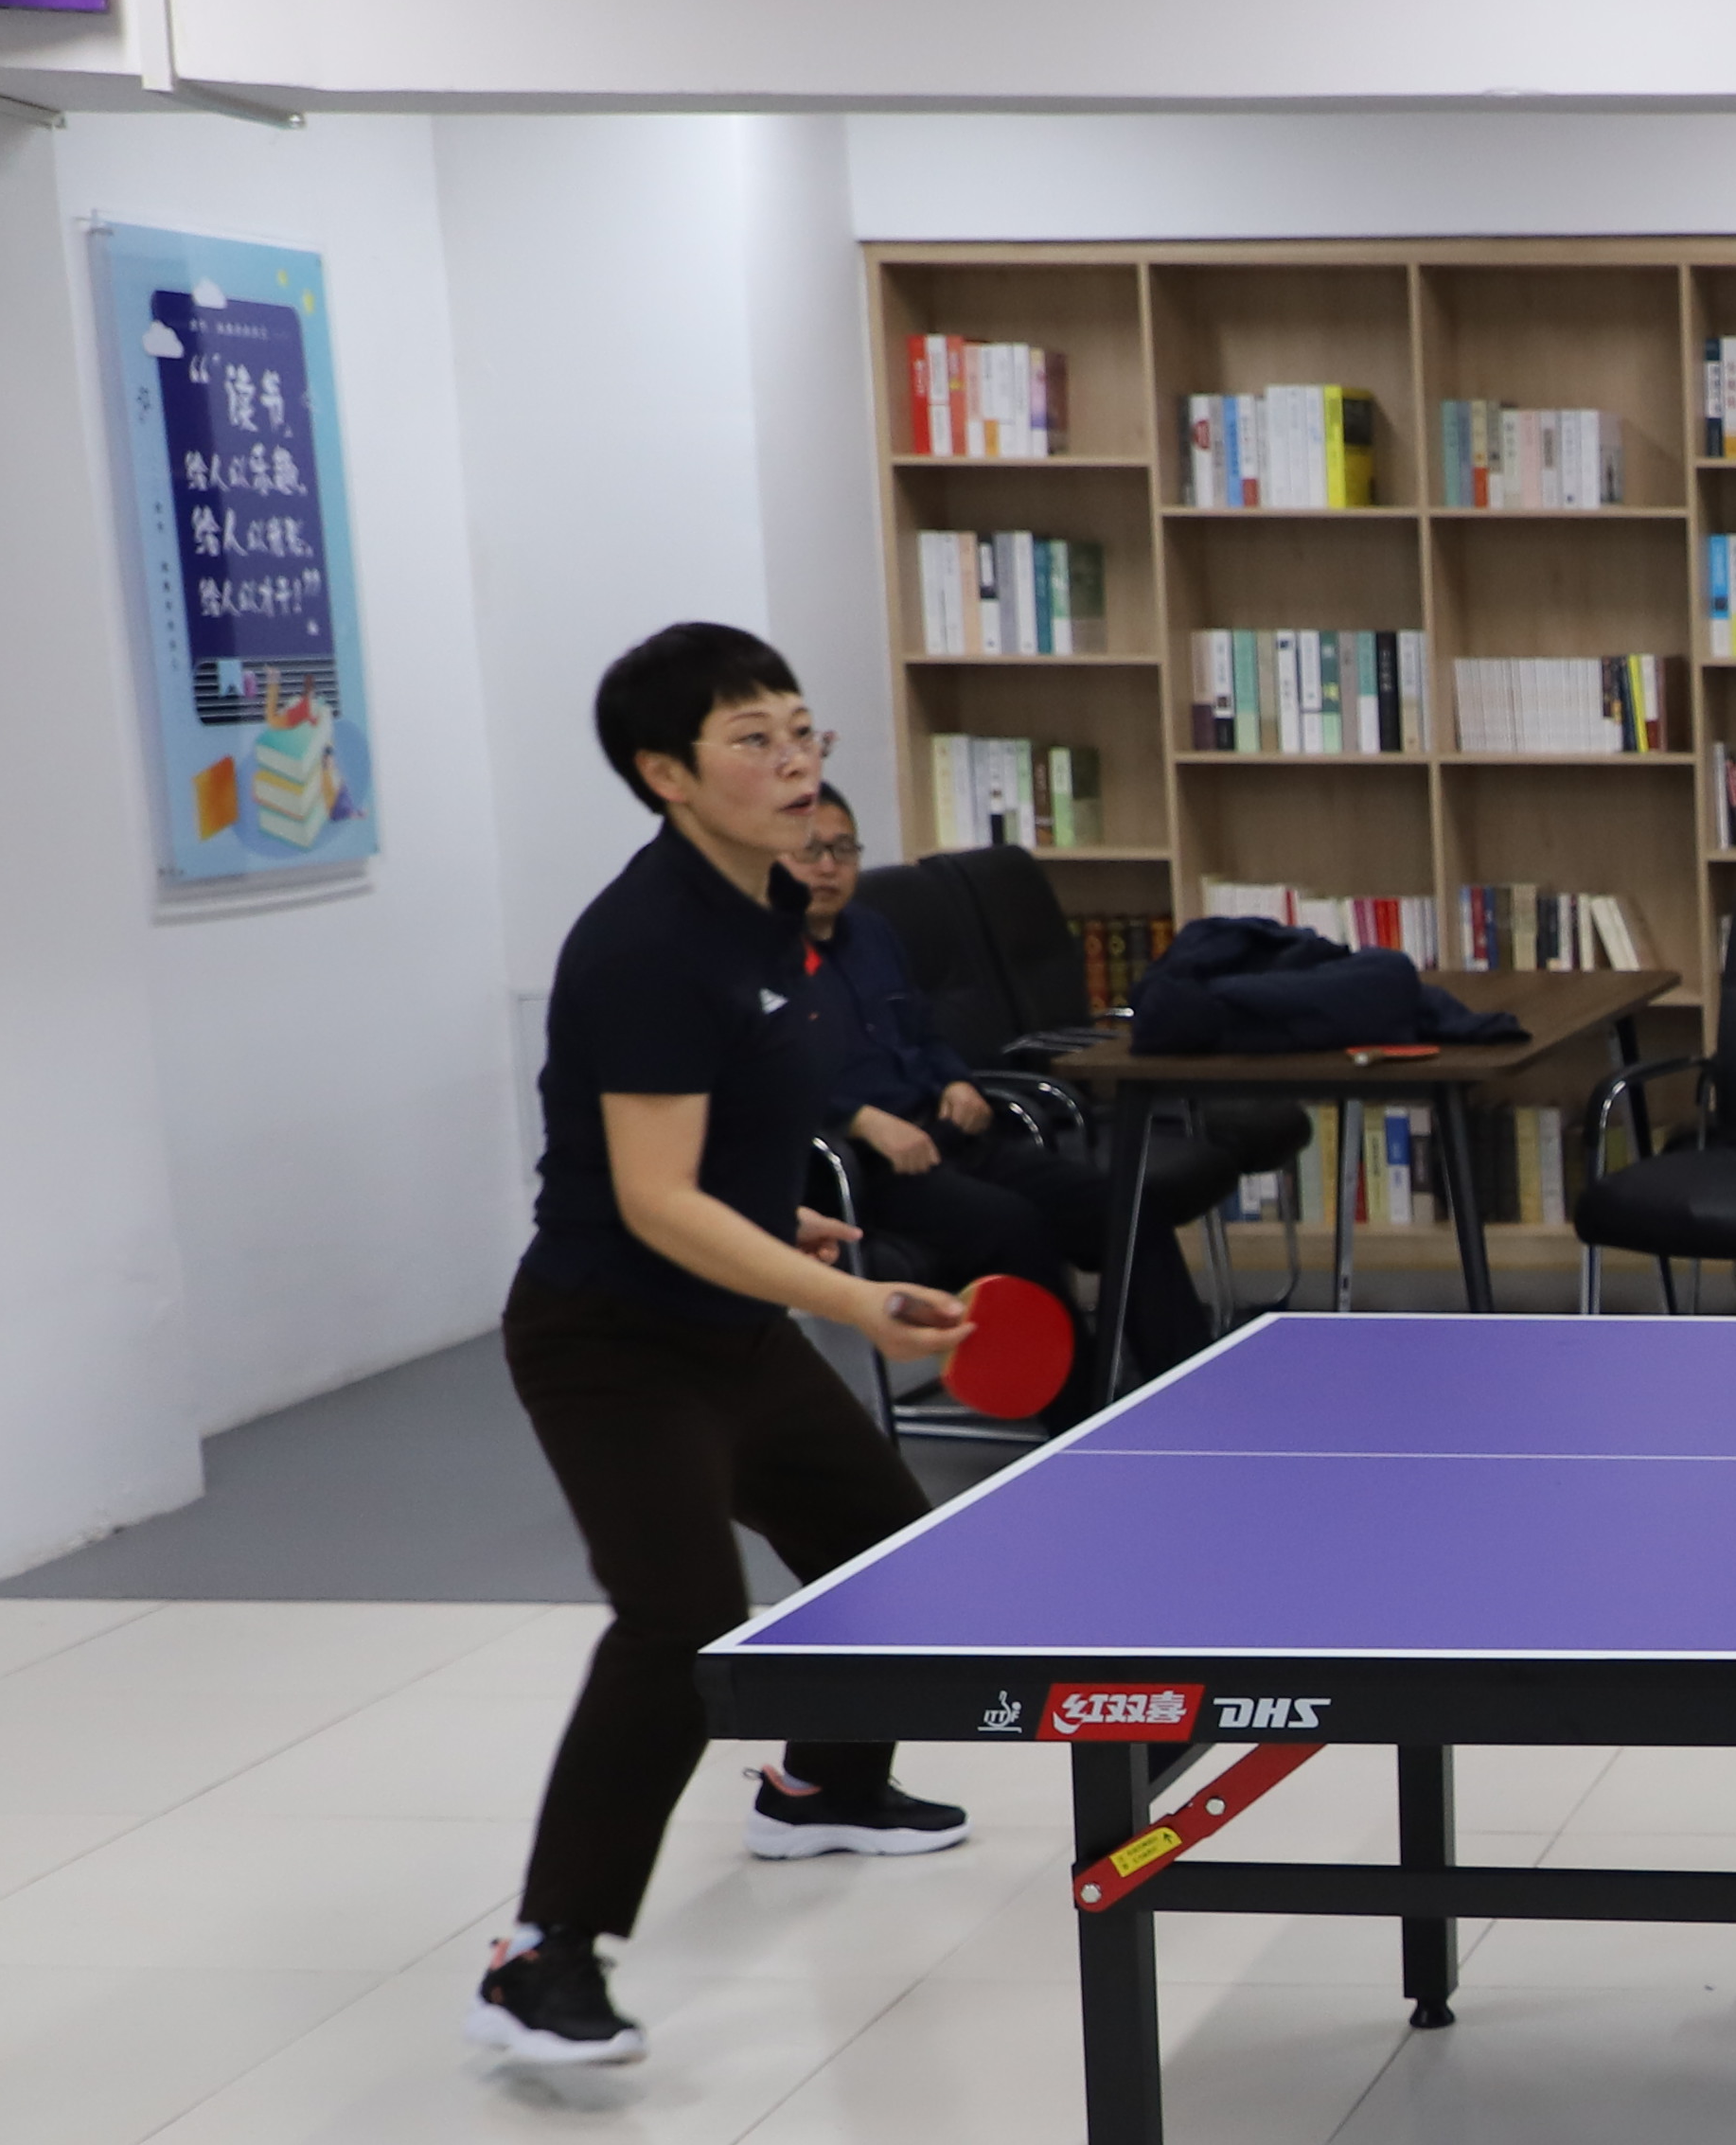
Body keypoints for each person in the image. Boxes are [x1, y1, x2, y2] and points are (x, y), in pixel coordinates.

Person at [477, 627, 979, 2071]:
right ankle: (542, 1955)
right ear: (666, 776)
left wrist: (781, 1225)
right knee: (679, 1619)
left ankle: (823, 1789)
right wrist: (853, 1301)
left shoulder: (773, 906)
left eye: (802, 731)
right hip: (613, 1339)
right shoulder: (647, 944)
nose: (795, 763)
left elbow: (732, 1130)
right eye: (752, 740)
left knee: (883, 1555)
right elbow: (651, 1200)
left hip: (728, 1317)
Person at [790, 794, 1211, 1409]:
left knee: (1124, 1205)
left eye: (843, 849)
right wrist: (858, 1119)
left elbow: (924, 1032)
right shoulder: (750, 959)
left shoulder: (873, 932)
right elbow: (757, 1084)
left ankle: (1191, 1394)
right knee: (1014, 1228)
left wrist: (955, 1081)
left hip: (947, 1138)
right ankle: (1083, 1414)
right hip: (863, 1170)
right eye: (810, 851)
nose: (828, 866)